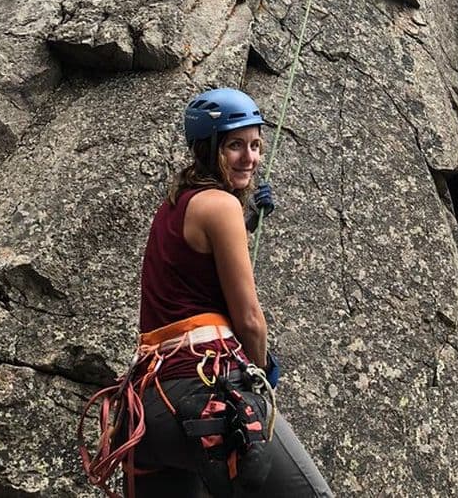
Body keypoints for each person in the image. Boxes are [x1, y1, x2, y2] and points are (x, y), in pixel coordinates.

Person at [130, 88, 332, 497]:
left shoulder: (173, 205)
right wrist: (259, 379)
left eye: (256, 145)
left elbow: (191, 271)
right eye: (235, 145)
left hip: (148, 410)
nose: (250, 157)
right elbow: (250, 320)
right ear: (209, 148)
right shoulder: (220, 206)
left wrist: (246, 220)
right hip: (204, 393)